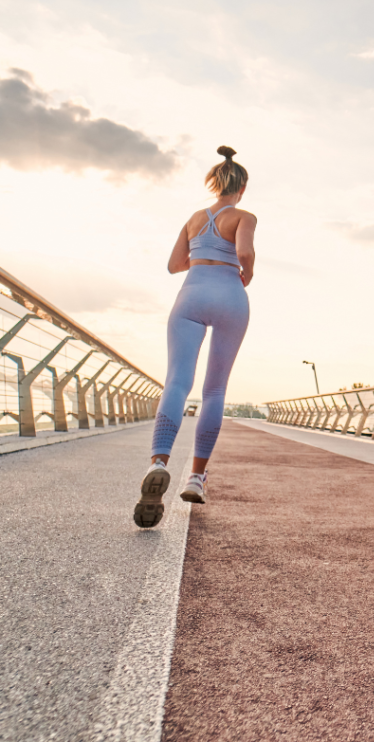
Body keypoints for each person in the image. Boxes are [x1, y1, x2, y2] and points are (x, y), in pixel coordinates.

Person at [134, 146, 256, 528]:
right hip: (230, 294)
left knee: (176, 383)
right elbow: (245, 253)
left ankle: (159, 461)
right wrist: (245, 273)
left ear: (215, 183)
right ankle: (197, 477)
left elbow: (174, 265)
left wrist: (201, 253)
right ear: (243, 187)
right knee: (214, 391)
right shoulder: (244, 216)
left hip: (191, 292)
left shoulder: (193, 217)